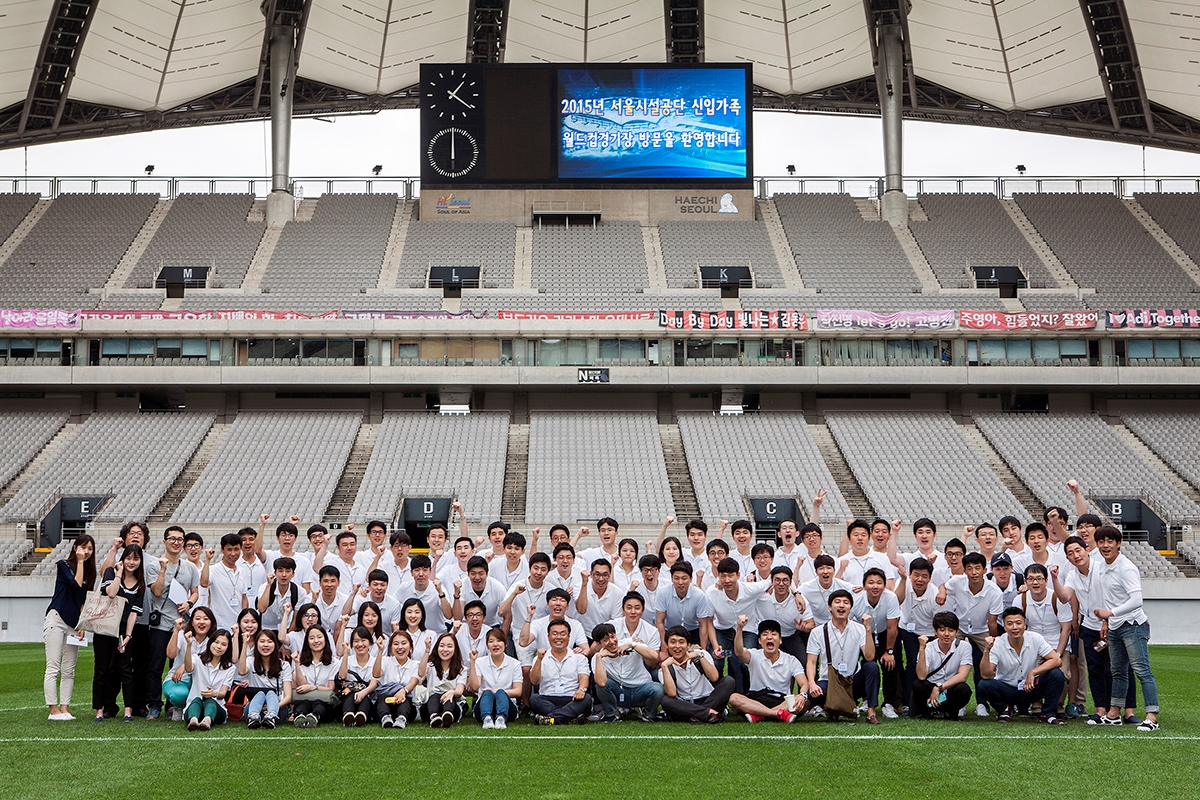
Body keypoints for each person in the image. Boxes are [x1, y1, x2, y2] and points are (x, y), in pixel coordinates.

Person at [1051, 535, 1138, 725]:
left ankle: (1129, 710)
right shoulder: (1073, 575)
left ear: (1087, 550)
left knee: (1121, 668)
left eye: (1078, 550)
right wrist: (1055, 579)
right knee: (1096, 669)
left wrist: (1106, 622)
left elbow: (1110, 597)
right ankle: (1101, 709)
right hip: (1089, 627)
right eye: (1070, 553)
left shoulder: (1101, 568)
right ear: (1067, 558)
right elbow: (1065, 597)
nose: (1075, 555)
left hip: (1111, 625)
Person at [1091, 525, 1160, 731]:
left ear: (1118, 544)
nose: (1105, 546)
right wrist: (1107, 622)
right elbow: (1108, 597)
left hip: (1133, 625)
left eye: (1110, 541)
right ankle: (1113, 714)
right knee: (1117, 672)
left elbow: (1137, 600)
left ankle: (1151, 716)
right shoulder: (1102, 565)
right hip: (1115, 626)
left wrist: (1110, 613)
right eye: (1101, 542)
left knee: (1141, 670)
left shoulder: (1126, 567)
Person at [937, 551, 1003, 716]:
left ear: (984, 569)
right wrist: (942, 592)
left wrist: (992, 642)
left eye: (977, 568)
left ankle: (985, 703)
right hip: (959, 628)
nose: (974, 572)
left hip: (983, 630)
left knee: (991, 664)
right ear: (964, 570)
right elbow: (944, 585)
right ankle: (954, 702)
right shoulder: (957, 581)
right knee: (948, 660)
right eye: (969, 568)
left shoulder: (994, 591)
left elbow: (992, 621)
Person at [145, 525, 200, 721]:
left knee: (177, 665)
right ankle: (153, 704)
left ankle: (172, 705)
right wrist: (162, 569)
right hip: (161, 624)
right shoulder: (153, 565)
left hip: (182, 624)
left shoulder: (190, 567)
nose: (176, 542)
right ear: (165, 541)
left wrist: (189, 603)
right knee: (155, 666)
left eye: (179, 539)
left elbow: (195, 591)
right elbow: (157, 592)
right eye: (172, 538)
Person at [977, 607, 1065, 724]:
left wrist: (1033, 672)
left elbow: (1056, 660)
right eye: (1010, 624)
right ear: (1004, 627)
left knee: (1057, 674)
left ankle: (1048, 713)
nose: (1015, 627)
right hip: (1007, 690)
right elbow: (985, 674)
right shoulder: (998, 643)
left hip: (1030, 687)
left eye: (1018, 623)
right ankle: (1004, 710)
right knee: (984, 685)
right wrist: (987, 650)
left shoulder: (1035, 638)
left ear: (1025, 625)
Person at [804, 590, 881, 723]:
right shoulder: (818, 632)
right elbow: (811, 662)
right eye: (837, 602)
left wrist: (868, 630)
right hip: (829, 682)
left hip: (852, 681)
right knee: (815, 693)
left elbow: (869, 656)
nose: (841, 606)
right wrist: (811, 683)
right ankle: (832, 709)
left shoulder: (859, 629)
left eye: (846, 603)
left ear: (850, 608)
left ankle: (871, 712)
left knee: (872, 667)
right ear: (830, 607)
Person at [44, 533, 95, 721]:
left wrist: (82, 624)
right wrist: (80, 562)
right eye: (83, 547)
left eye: (90, 549)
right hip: (56, 618)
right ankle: (53, 709)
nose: (87, 552)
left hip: (74, 623)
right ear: (75, 548)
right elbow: (74, 584)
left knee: (69, 669)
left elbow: (84, 601)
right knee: (53, 666)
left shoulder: (90, 573)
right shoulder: (63, 565)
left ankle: (65, 708)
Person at [92, 543, 145, 722]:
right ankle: (99, 710)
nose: (131, 562)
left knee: (125, 670)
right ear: (123, 559)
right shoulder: (110, 573)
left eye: (135, 559)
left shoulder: (140, 584)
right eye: (128, 558)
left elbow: (133, 614)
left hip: (123, 630)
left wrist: (129, 636)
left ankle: (128, 710)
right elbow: (111, 593)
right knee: (101, 669)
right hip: (105, 628)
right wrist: (118, 573)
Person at [591, 593, 664, 722]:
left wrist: (634, 645)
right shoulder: (598, 656)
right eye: (605, 639)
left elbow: (654, 656)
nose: (612, 641)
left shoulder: (631, 641)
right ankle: (613, 714)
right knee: (601, 685)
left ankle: (648, 713)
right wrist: (599, 656)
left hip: (640, 688)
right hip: (618, 689)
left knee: (658, 688)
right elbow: (601, 683)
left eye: (613, 637)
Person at [729, 618, 807, 723]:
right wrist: (739, 628)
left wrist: (802, 695)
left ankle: (760, 715)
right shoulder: (755, 655)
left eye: (774, 634)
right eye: (765, 634)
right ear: (760, 641)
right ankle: (777, 714)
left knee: (805, 700)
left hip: (782, 701)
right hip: (757, 700)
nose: (769, 637)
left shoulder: (791, 660)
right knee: (734, 698)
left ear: (780, 640)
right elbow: (739, 652)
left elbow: (804, 684)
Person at [706, 557, 765, 694]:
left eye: (731, 575)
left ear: (738, 575)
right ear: (718, 576)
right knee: (717, 660)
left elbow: (771, 581)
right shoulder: (712, 592)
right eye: (723, 576)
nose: (727, 580)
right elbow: (709, 620)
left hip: (747, 631)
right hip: (723, 631)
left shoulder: (751, 589)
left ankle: (745, 694)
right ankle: (716, 696)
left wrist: (795, 593)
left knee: (744, 660)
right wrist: (715, 646)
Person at [852, 567, 902, 718]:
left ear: (884, 585)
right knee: (866, 666)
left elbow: (892, 626)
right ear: (864, 585)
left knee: (891, 666)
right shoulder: (857, 600)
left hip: (886, 633)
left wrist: (889, 652)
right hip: (864, 634)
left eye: (879, 583)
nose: (875, 586)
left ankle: (889, 703)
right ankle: (865, 700)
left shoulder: (891, 597)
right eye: (871, 583)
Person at [660, 625, 735, 723]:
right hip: (686, 706)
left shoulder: (701, 654)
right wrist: (664, 666)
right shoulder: (665, 667)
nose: (677, 646)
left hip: (709, 700)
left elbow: (714, 677)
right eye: (673, 642)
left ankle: (700, 714)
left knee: (729, 681)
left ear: (688, 645)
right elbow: (672, 693)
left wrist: (699, 655)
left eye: (681, 642)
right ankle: (709, 714)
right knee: (665, 701)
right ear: (667, 645)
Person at [529, 619, 593, 724]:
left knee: (586, 699)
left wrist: (581, 689)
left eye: (563, 634)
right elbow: (534, 681)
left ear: (569, 637)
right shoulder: (540, 658)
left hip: (572, 698)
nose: (559, 637)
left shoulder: (579, 657)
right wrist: (539, 660)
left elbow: (584, 678)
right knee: (534, 699)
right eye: (554, 633)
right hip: (547, 698)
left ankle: (552, 719)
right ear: (548, 637)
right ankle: (570, 719)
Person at [912, 612, 973, 719]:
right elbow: (921, 675)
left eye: (951, 630)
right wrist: (921, 649)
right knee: (919, 685)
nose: (946, 634)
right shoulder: (929, 647)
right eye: (942, 630)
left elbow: (962, 676)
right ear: (935, 631)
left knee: (964, 689)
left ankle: (950, 712)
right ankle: (928, 711)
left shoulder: (964, 646)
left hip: (950, 689)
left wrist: (939, 687)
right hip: (930, 689)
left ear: (957, 632)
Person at [163, 606, 216, 720]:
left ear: (211, 622)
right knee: (179, 695)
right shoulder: (183, 635)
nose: (201, 622)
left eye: (206, 619)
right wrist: (176, 630)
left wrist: (185, 665)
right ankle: (178, 707)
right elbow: (170, 654)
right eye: (197, 618)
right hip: (179, 679)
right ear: (192, 622)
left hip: (202, 681)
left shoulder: (213, 640)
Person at [237, 629, 292, 729]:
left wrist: (273, 707)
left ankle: (270, 717)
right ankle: (254, 718)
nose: (265, 645)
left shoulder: (284, 665)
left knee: (271, 693)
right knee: (261, 694)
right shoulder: (250, 661)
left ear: (275, 645)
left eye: (269, 641)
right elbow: (241, 671)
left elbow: (288, 697)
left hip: (277, 711)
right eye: (262, 641)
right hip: (253, 710)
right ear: (256, 644)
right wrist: (245, 643)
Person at [183, 628, 235, 731]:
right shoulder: (197, 659)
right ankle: (193, 721)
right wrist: (189, 645)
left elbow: (223, 694)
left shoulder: (230, 667)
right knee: (197, 699)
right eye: (216, 642)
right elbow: (188, 668)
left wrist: (214, 693)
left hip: (217, 709)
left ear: (228, 648)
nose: (219, 647)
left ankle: (207, 721)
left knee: (210, 701)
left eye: (224, 644)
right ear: (210, 642)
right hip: (194, 706)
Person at [470, 628, 522, 729]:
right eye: (491, 641)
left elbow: (518, 691)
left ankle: (501, 719)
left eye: (499, 640)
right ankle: (487, 719)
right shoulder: (480, 662)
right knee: (487, 693)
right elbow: (474, 686)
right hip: (484, 703)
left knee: (501, 692)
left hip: (508, 706)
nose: (495, 644)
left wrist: (496, 691)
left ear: (505, 644)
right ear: (487, 645)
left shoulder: (515, 664)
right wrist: (472, 662)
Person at [655, 561, 714, 652]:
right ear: (671, 579)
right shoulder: (663, 593)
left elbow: (703, 625)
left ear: (691, 579)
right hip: (670, 631)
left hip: (693, 630)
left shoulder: (699, 595)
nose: (680, 582)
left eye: (684, 578)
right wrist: (664, 647)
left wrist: (703, 651)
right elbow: (660, 622)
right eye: (676, 578)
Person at [755, 566, 807, 660]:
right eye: (777, 580)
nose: (781, 584)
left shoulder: (800, 601)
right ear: (771, 582)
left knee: (802, 660)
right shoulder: (761, 597)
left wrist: (804, 627)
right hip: (768, 636)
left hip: (790, 635)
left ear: (790, 583)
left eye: (785, 580)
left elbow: (812, 623)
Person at [419, 631, 468, 728]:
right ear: (437, 648)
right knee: (435, 695)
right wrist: (427, 649)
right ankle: (434, 717)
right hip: (430, 707)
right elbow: (421, 673)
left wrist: (452, 693)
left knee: (449, 697)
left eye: (449, 646)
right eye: (442, 646)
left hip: (452, 706)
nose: (445, 650)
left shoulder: (462, 669)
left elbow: (459, 690)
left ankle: (447, 716)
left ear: (455, 650)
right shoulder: (431, 665)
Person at [201, 532, 248, 632]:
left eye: (236, 549)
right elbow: (204, 583)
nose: (233, 554)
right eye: (229, 550)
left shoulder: (242, 571)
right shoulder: (214, 569)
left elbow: (244, 598)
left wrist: (244, 620)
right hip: (219, 624)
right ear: (222, 550)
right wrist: (207, 560)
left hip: (237, 625)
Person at [372, 630, 420, 729]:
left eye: (404, 643)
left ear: (410, 646)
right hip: (385, 705)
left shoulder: (415, 665)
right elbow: (376, 674)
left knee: (405, 698)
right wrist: (380, 651)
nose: (400, 647)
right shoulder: (386, 661)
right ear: (391, 647)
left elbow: (413, 682)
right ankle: (385, 718)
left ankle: (401, 719)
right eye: (396, 644)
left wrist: (403, 691)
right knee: (383, 696)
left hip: (406, 707)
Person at [293, 626, 337, 727]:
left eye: (319, 637)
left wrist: (313, 687)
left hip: (325, 703)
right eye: (312, 638)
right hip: (305, 699)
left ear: (325, 639)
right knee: (304, 703)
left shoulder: (334, 662)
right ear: (307, 642)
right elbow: (301, 685)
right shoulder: (301, 661)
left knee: (318, 703)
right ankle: (300, 716)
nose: (316, 641)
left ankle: (314, 716)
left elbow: (331, 688)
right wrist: (297, 664)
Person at [337, 626, 379, 726]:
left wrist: (363, 692)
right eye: (356, 641)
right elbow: (342, 676)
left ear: (370, 642)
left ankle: (361, 716)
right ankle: (348, 716)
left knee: (365, 698)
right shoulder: (348, 659)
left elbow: (374, 683)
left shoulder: (375, 662)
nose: (360, 644)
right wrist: (346, 653)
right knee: (351, 696)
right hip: (348, 696)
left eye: (363, 640)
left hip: (368, 697)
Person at [575, 559, 621, 638]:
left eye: (605, 575)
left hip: (605, 636)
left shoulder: (617, 593)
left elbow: (615, 622)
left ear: (610, 575)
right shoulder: (579, 586)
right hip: (583, 634)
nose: (601, 579)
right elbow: (581, 610)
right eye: (597, 574)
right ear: (591, 574)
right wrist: (584, 584)